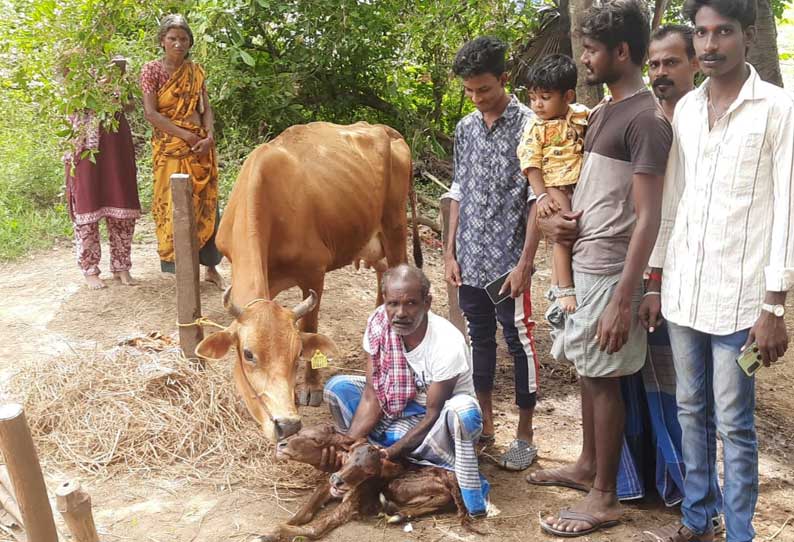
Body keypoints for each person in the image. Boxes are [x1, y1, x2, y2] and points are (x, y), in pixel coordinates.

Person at [640, 1, 793, 540]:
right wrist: (655, 280)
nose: (709, 45)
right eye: (702, 33)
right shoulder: (685, 110)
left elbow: (786, 209)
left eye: (722, 31)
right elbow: (673, 201)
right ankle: (697, 517)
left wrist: (774, 305)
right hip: (683, 292)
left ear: (746, 36)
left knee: (735, 422)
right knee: (689, 409)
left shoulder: (777, 108)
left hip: (742, 300)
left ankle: (741, 532)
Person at [530, 1, 672, 536]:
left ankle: (606, 496)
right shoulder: (605, 111)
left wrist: (623, 297)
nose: (583, 58)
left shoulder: (645, 120)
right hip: (585, 264)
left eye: (591, 50)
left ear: (622, 52)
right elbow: (598, 192)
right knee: (590, 373)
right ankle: (589, 465)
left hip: (613, 273)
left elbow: (648, 215)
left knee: (605, 378)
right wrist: (563, 224)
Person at [444, 36, 541, 472]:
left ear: (504, 79)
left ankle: (525, 433)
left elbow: (537, 201)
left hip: (508, 263)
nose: (476, 98)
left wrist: (524, 263)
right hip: (468, 259)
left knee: (519, 342)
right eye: (469, 91)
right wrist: (448, 252)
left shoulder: (531, 126)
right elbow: (459, 191)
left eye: (483, 89)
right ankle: (486, 424)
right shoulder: (465, 128)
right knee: (477, 342)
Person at [323, 264, 490, 517]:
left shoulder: (446, 342)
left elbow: (432, 415)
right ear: (384, 303)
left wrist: (388, 453)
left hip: (436, 424)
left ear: (427, 303)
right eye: (392, 304)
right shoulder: (378, 324)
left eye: (411, 303)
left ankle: (456, 482)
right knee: (338, 388)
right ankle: (370, 458)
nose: (400, 313)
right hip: (396, 411)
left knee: (463, 413)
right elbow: (372, 393)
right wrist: (349, 448)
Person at [140, 14, 222, 286]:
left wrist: (208, 136)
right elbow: (151, 114)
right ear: (162, 41)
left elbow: (206, 108)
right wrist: (186, 136)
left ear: (190, 43)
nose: (178, 43)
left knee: (206, 205)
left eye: (183, 39)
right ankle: (182, 272)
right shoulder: (151, 70)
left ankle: (211, 268)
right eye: (172, 38)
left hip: (200, 149)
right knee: (174, 206)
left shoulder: (196, 71)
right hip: (170, 150)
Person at [517, 53, 588, 313]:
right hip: (555, 186)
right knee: (563, 233)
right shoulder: (535, 127)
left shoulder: (577, 116)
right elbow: (530, 164)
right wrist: (541, 196)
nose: (537, 104)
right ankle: (565, 290)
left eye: (545, 98)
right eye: (533, 97)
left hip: (578, 184)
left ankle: (557, 283)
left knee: (575, 231)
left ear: (567, 97)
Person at [64, 55, 141, 290]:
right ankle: (89, 269)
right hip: (85, 146)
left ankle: (121, 266)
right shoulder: (73, 62)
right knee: (88, 203)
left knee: (121, 200)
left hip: (115, 144)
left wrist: (116, 87)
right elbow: (68, 103)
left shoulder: (117, 63)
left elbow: (130, 105)